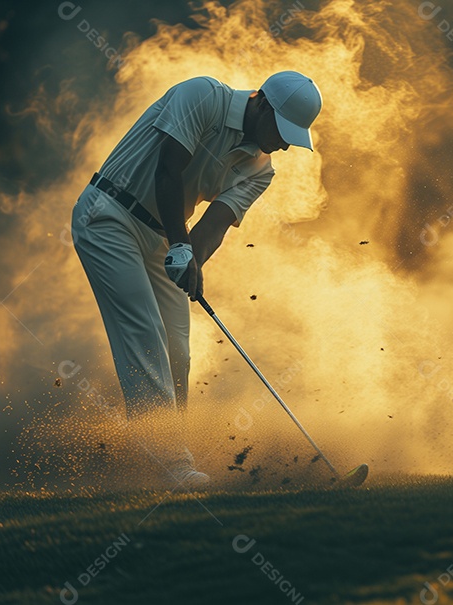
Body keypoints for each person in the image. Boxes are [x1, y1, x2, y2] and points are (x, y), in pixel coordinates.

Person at [70, 71, 322, 486]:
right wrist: (180, 247)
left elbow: (213, 226)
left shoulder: (261, 169)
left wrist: (193, 262)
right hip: (108, 214)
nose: (282, 144)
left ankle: (158, 454)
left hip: (163, 239)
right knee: (145, 333)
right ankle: (170, 463)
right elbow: (168, 171)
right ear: (260, 103)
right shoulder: (203, 96)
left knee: (178, 351)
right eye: (281, 130)